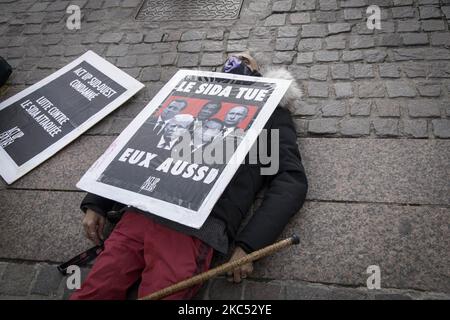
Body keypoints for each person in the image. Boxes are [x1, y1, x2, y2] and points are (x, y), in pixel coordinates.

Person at [70, 51, 308, 300]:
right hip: (138, 215)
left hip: (192, 230)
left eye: (245, 59)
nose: (235, 61)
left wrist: (250, 245)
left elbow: (289, 180)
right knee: (93, 293)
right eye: (230, 57)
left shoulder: (271, 113)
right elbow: (138, 144)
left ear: (260, 68)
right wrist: (98, 201)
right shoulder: (192, 94)